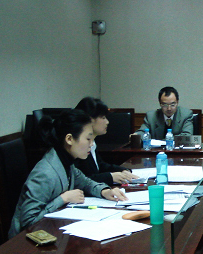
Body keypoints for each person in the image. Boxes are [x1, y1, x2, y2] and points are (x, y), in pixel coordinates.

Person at [9, 109, 127, 237]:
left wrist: (105, 191)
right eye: (88, 138)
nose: (91, 144)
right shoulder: (45, 173)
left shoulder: (66, 162)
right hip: (27, 241)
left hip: (52, 231)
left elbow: (86, 183)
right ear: (69, 139)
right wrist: (63, 199)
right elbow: (28, 222)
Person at [75, 97, 138, 186]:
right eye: (103, 117)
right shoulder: (77, 146)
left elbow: (100, 166)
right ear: (90, 119)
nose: (107, 122)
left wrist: (123, 170)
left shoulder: (92, 142)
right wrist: (110, 177)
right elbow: (81, 180)